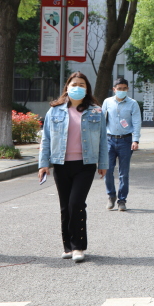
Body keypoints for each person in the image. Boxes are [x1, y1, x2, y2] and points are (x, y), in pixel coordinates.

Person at [38, 72, 108, 263]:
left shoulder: (96, 111)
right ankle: (68, 247)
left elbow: (103, 139)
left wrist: (103, 164)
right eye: (74, 84)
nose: (77, 87)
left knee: (76, 204)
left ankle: (78, 246)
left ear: (87, 89)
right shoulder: (54, 111)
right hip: (61, 164)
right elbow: (46, 139)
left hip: (85, 165)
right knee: (65, 206)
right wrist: (43, 164)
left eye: (81, 85)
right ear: (67, 87)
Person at [102, 77, 141, 212]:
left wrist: (135, 140)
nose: (122, 91)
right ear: (114, 89)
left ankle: (122, 200)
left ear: (127, 89)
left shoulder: (133, 104)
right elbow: (102, 121)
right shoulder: (107, 102)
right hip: (109, 140)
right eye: (119, 89)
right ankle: (111, 195)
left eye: (124, 88)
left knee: (123, 173)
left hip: (126, 141)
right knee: (107, 170)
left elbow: (136, 122)